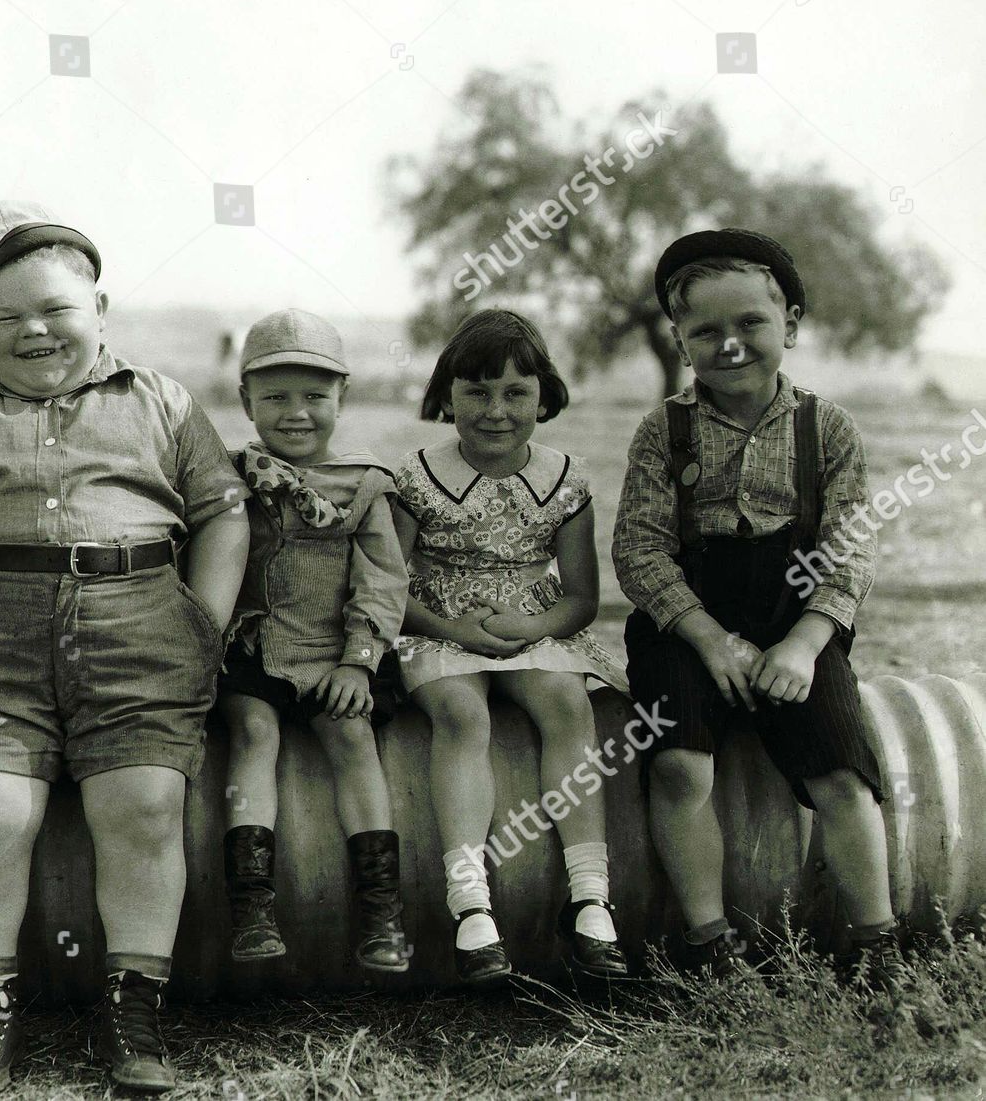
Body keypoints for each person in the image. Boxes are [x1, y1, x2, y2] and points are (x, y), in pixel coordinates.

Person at [0, 200, 249, 1096]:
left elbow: (224, 515)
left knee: (146, 805)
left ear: (101, 310)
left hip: (141, 629)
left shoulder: (164, 402)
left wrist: (204, 621)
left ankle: (133, 1011)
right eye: (5, 317)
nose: (33, 330)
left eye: (56, 310)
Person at [612, 228, 899, 984]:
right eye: (706, 330)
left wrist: (805, 644)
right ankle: (710, 945)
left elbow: (852, 548)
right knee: (678, 766)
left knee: (843, 774)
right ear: (679, 341)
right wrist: (709, 640)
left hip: (792, 622)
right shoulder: (662, 430)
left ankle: (876, 944)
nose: (729, 343)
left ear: (791, 326)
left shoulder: (827, 429)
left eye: (751, 324)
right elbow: (639, 551)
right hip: (688, 625)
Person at [393, 308, 630, 987]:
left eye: (516, 393)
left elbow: (581, 596)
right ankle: (471, 907)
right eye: (476, 392)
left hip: (533, 618)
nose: (496, 411)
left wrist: (532, 628)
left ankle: (590, 897)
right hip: (437, 619)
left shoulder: (566, 479)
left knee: (565, 701)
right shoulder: (415, 476)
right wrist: (455, 629)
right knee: (464, 715)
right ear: (445, 396)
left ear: (543, 397)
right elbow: (386, 585)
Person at [219, 309, 410, 972]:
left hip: (337, 652)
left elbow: (384, 580)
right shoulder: (229, 479)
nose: (295, 413)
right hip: (257, 646)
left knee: (352, 734)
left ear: (342, 398)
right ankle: (251, 906)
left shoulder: (363, 485)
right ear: (246, 401)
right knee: (251, 729)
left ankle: (382, 910)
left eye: (314, 396)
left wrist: (359, 662)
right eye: (275, 397)